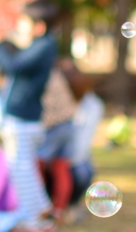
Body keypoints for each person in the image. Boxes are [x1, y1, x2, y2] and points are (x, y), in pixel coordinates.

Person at [0, 0, 60, 232]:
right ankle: (44, 213)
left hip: (23, 120)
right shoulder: (41, 45)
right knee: (25, 170)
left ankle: (34, 222)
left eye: (24, 22)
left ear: (38, 26)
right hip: (23, 119)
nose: (19, 26)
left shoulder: (44, 45)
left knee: (22, 172)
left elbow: (14, 65)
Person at [59, 59, 105, 223]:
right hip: (49, 158)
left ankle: (69, 205)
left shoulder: (91, 105)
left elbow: (81, 145)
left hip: (71, 160)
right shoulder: (52, 102)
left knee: (83, 171)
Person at [37, 63, 77, 219]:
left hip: (53, 125)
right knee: (61, 167)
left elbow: (45, 105)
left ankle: (38, 208)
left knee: (37, 165)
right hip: (68, 123)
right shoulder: (55, 73)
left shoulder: (41, 74)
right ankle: (59, 210)